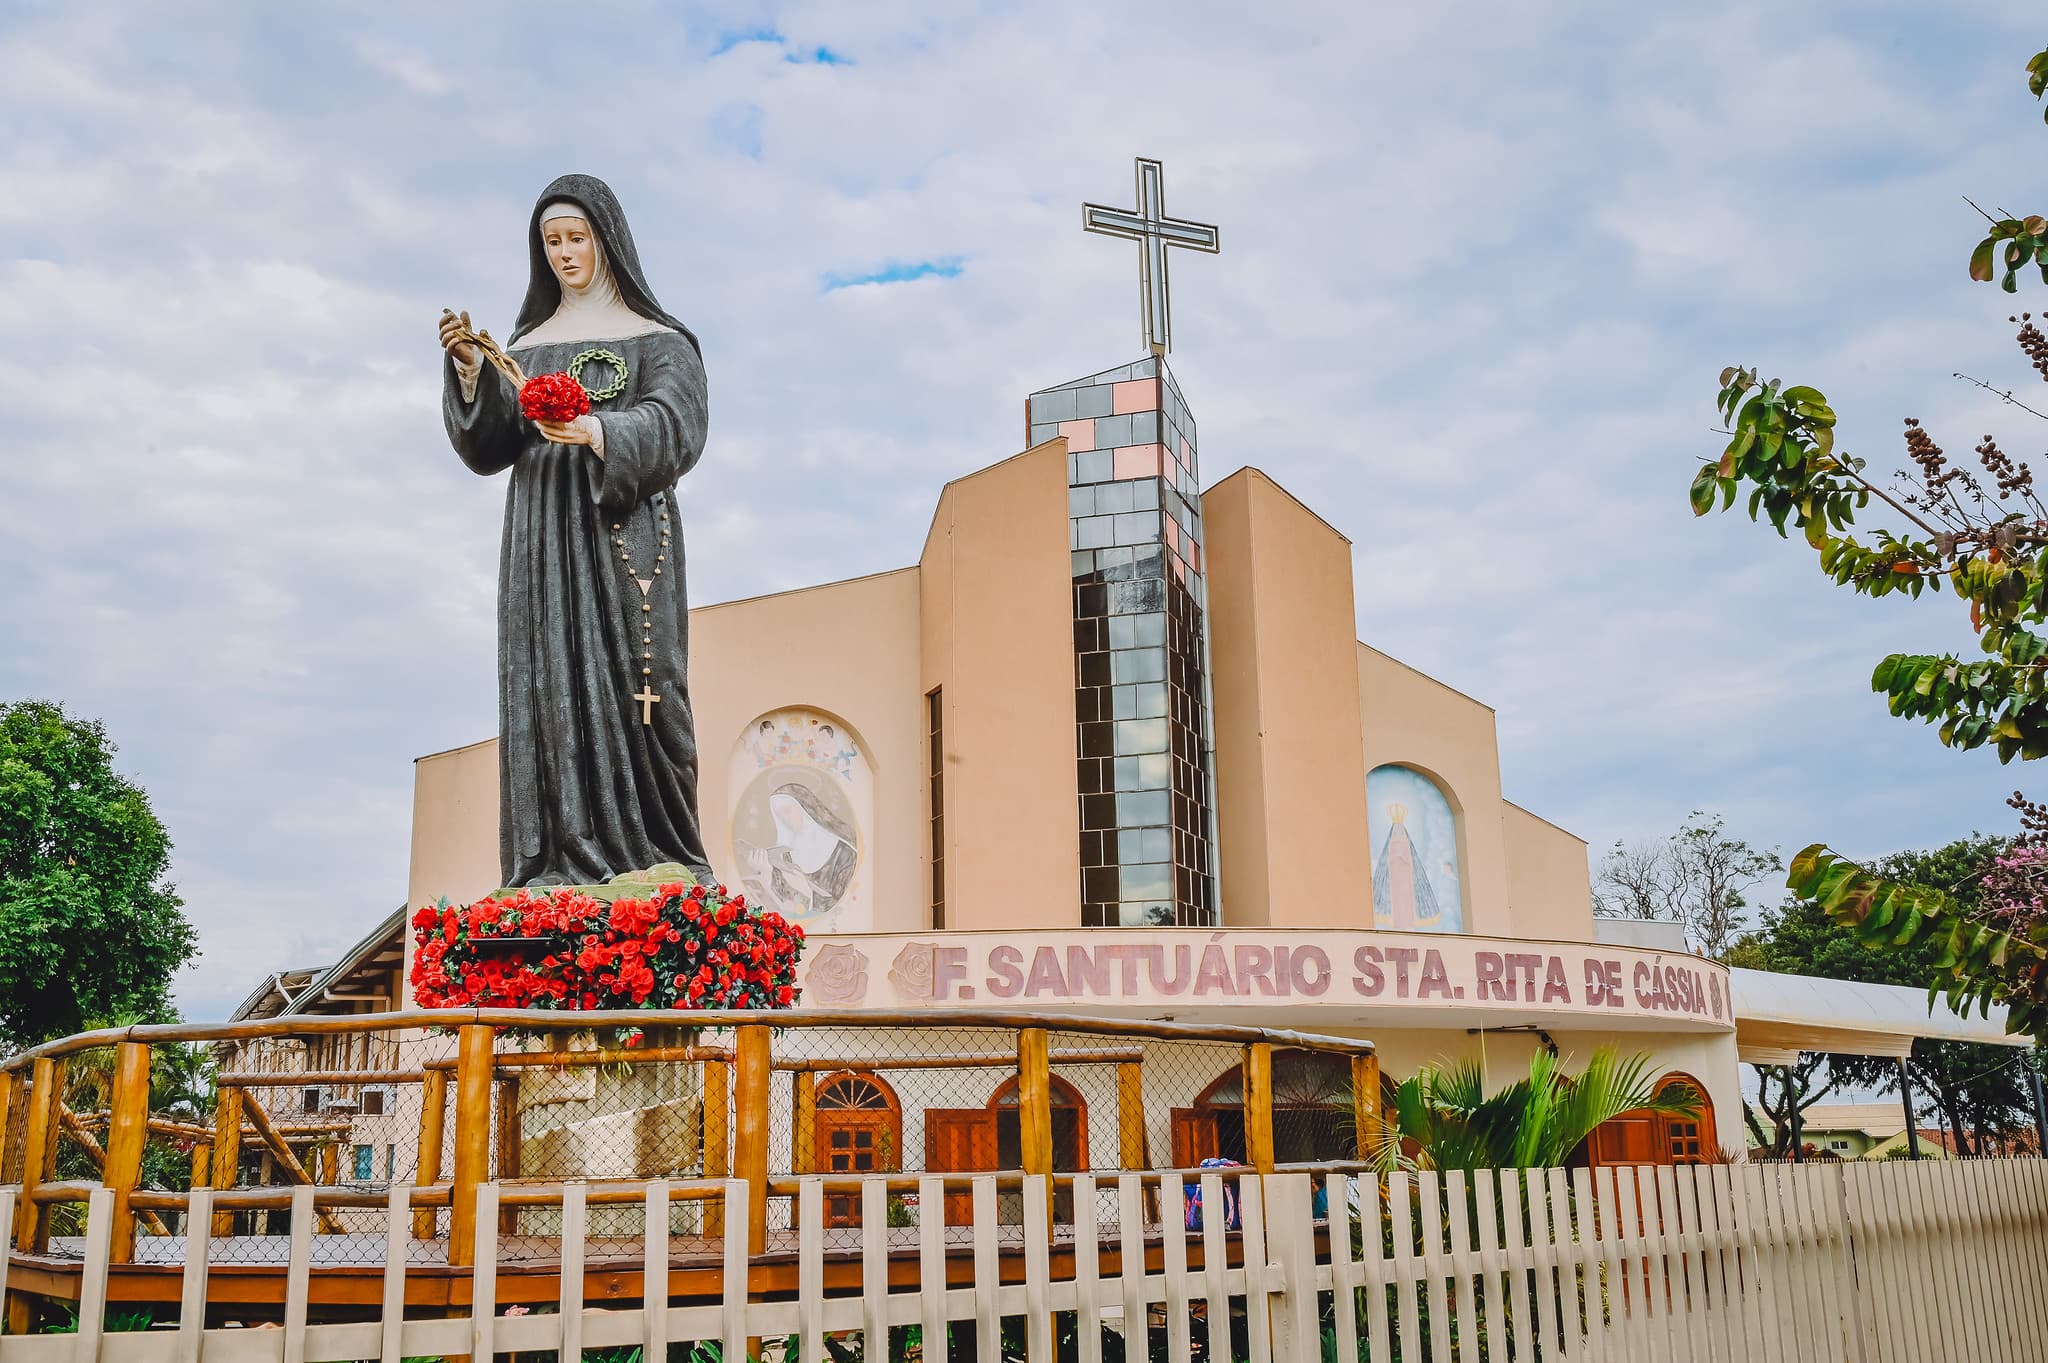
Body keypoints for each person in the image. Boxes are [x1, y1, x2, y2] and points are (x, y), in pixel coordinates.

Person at [439, 174, 712, 887]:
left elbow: (678, 430)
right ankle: (554, 865)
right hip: (541, 542)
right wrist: (472, 372)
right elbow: (491, 444)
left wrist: (597, 429)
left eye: (576, 239)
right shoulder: (529, 343)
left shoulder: (663, 340)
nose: (564, 253)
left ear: (608, 239)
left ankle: (661, 857)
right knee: (546, 688)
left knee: (644, 693)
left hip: (622, 537)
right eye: (551, 241)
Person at [737, 783, 858, 919]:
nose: (785, 819)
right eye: (779, 815)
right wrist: (766, 872)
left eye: (788, 811)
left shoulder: (845, 854)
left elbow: (846, 907)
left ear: (806, 808)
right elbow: (781, 905)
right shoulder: (785, 855)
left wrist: (809, 893)